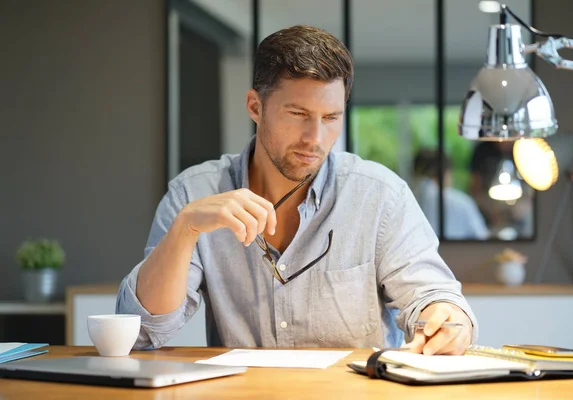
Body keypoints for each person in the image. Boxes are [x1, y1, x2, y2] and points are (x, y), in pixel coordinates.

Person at [116, 25, 477, 355]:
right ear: (256, 107)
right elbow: (142, 333)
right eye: (298, 114)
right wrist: (184, 231)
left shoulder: (380, 195)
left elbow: (435, 296)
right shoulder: (192, 194)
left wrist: (445, 318)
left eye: (331, 118)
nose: (315, 139)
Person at [413, 149, 489, 240]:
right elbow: (482, 237)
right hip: (457, 253)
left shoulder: (408, 199)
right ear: (445, 173)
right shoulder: (462, 202)